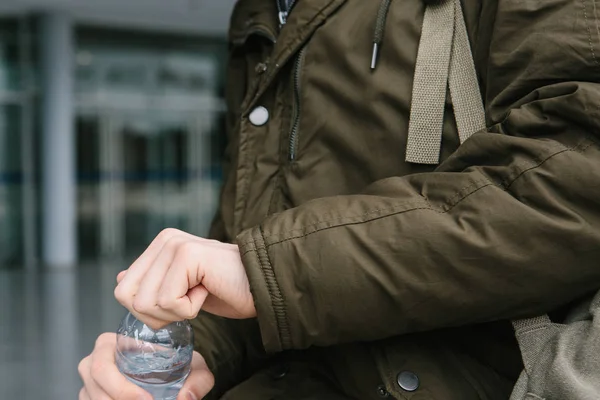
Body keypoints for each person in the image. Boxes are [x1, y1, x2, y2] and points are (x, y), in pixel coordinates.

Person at [78, 0, 600, 399]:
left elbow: (574, 179)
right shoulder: (261, 9)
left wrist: (269, 274)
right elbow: (256, 229)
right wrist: (200, 348)